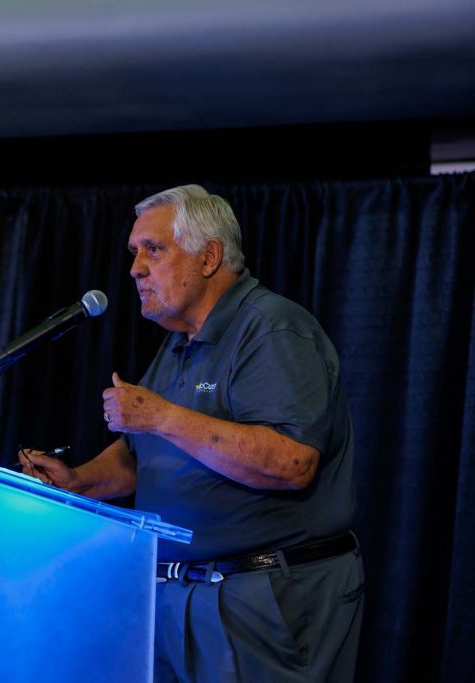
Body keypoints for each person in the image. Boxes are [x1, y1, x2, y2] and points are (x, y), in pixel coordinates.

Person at [21, 185, 364, 682]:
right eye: (134, 252)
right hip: (183, 594)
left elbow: (291, 463)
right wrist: (78, 481)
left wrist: (163, 416)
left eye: (153, 250)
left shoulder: (272, 329)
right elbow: (143, 455)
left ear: (209, 257)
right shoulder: (180, 342)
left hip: (264, 596)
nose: (135, 269)